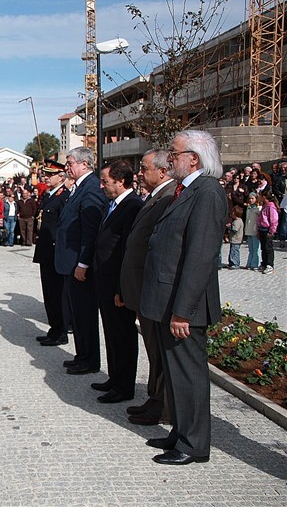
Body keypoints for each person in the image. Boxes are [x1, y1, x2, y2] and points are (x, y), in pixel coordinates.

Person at [140, 129, 226, 465]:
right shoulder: (185, 191)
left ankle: (193, 445)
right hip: (166, 298)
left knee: (188, 375)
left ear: (194, 158)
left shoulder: (207, 192)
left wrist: (183, 312)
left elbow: (200, 256)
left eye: (174, 154)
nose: (170, 159)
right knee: (175, 374)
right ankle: (180, 432)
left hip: (182, 305)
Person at [119, 149, 175, 426]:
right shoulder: (154, 196)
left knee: (160, 352)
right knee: (153, 350)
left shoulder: (168, 198)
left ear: (162, 171)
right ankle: (154, 399)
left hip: (153, 288)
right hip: (142, 288)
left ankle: (162, 406)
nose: (139, 173)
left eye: (144, 168)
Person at [91, 160, 143, 404]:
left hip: (118, 285)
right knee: (111, 333)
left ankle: (124, 386)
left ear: (121, 181)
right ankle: (114, 377)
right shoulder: (113, 204)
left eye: (105, 181)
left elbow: (127, 251)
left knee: (122, 335)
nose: (102, 186)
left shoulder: (132, 206)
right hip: (105, 281)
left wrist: (122, 289)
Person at [56, 146, 106, 375]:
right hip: (71, 262)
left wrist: (83, 263)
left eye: (70, 163)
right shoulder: (79, 187)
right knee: (77, 314)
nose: (67, 167)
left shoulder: (91, 188)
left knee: (85, 315)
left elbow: (90, 230)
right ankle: (82, 355)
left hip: (80, 264)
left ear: (85, 164)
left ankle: (89, 360)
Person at [33, 161, 71, 346]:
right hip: (45, 251)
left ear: (61, 177)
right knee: (48, 294)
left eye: (50, 175)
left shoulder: (64, 196)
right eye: (45, 174)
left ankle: (61, 331)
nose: (46, 177)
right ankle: (53, 329)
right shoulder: (48, 195)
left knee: (58, 294)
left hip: (56, 252)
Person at [257, 190, 278, 274]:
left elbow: (274, 220)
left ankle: (270, 265)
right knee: (263, 248)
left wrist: (272, 231)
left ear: (264, 197)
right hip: (262, 229)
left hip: (267, 230)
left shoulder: (271, 207)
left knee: (268, 248)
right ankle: (264, 263)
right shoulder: (264, 206)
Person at [243, 192, 262, 270]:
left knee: (255, 248)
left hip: (255, 230)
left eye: (252, 198)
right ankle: (249, 263)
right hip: (248, 230)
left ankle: (255, 264)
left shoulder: (259, 208)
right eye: (249, 198)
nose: (251, 200)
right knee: (251, 248)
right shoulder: (249, 208)